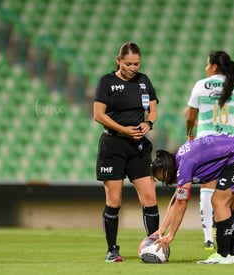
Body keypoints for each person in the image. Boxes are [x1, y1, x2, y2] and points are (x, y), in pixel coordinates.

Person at [151, 134, 234, 264]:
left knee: (218, 201)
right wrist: (162, 229)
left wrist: (171, 235)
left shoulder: (184, 163)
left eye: (164, 179)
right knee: (230, 204)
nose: (167, 183)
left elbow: (181, 202)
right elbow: (177, 198)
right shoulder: (181, 159)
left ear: (167, 171)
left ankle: (222, 255)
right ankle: (233, 255)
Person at [94, 42, 160, 262]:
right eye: (128, 63)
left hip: (138, 147)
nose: (133, 68)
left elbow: (153, 107)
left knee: (149, 196)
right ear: (118, 61)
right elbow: (98, 114)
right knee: (114, 200)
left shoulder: (144, 81)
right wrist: (124, 130)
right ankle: (112, 249)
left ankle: (154, 245)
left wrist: (148, 123)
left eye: (136, 64)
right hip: (113, 146)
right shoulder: (107, 82)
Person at [185, 50, 234, 250]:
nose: (206, 68)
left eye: (207, 64)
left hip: (206, 143)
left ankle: (208, 238)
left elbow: (190, 115)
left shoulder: (200, 85)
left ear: (214, 66)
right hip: (231, 144)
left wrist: (189, 134)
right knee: (232, 189)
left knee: (207, 188)